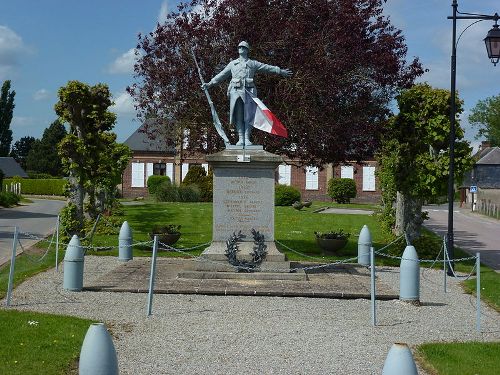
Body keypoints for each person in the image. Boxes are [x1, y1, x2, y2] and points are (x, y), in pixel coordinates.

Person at [202, 41, 292, 146]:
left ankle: (247, 138)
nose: (240, 49)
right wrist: (210, 83)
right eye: (239, 47)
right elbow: (221, 75)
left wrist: (279, 71)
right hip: (236, 92)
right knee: (239, 116)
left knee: (249, 116)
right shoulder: (233, 64)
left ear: (247, 50)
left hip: (249, 92)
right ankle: (241, 138)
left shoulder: (252, 63)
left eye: (243, 47)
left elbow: (266, 67)